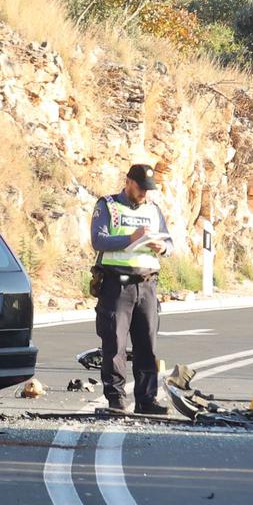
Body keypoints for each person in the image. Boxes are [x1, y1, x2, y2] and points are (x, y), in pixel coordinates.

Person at [90, 163, 173, 415]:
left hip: (147, 285)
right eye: (140, 188)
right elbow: (99, 239)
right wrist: (132, 238)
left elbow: (169, 241)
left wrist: (163, 247)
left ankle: (147, 399)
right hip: (117, 285)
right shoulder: (107, 206)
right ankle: (116, 399)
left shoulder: (153, 209)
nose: (144, 194)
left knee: (147, 344)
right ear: (128, 182)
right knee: (114, 343)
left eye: (148, 190)